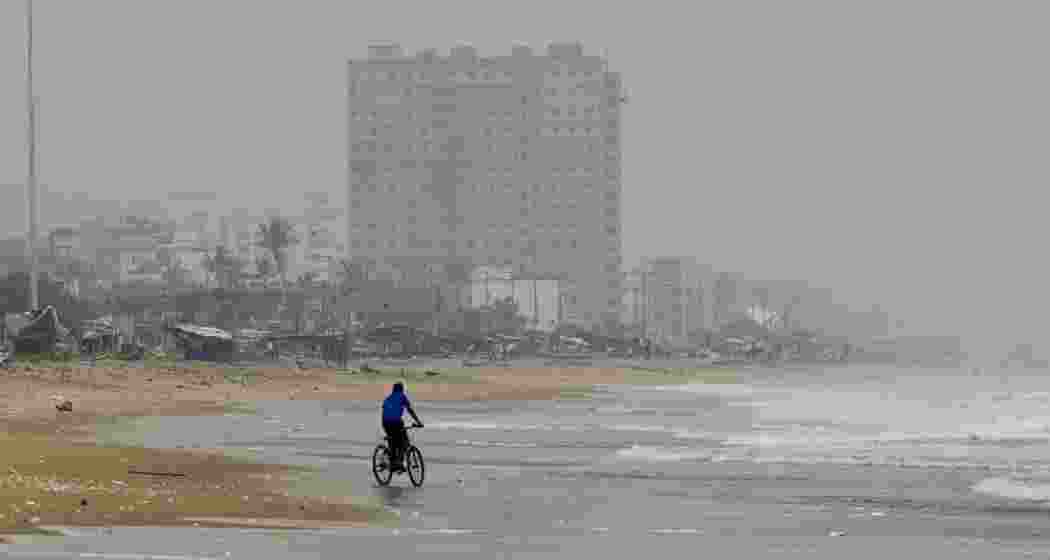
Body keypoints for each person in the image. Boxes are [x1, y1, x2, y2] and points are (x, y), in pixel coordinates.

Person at [381, 382, 423, 473]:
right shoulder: (402, 396)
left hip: (385, 423)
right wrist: (418, 422)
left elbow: (384, 411)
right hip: (396, 422)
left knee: (393, 441)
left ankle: (393, 463)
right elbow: (410, 409)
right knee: (404, 442)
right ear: (401, 389)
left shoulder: (388, 398)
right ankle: (398, 463)